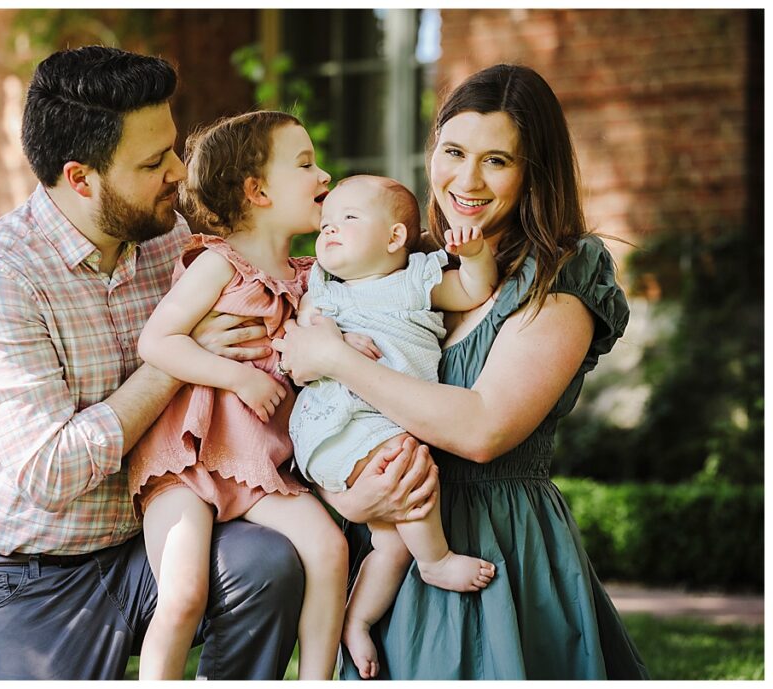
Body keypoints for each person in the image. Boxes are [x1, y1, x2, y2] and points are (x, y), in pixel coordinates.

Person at [273, 63, 650, 679]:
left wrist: (335, 356)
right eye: (453, 152)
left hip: (497, 547)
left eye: (496, 160)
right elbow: (326, 413)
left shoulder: (560, 273)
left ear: (533, 171)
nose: (467, 180)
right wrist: (345, 495)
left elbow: (482, 429)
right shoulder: (408, 264)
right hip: (392, 545)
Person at [0, 46, 308, 681]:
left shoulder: (175, 242)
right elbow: (51, 471)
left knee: (267, 562)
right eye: (152, 162)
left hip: (155, 538)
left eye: (172, 149)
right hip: (30, 575)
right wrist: (181, 360)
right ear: (81, 178)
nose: (178, 172)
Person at [127, 110, 347, 680]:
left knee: (329, 549)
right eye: (305, 164)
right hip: (188, 462)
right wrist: (238, 377)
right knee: (183, 595)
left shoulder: (312, 278)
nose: (323, 175)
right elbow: (157, 341)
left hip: (257, 465)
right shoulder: (219, 265)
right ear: (258, 191)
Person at [288, 174, 498, 679]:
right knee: (409, 466)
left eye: (348, 219)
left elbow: (474, 290)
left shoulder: (413, 282)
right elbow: (300, 346)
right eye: (326, 223)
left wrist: (474, 255)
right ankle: (437, 560)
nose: (329, 229)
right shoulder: (323, 290)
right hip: (339, 420)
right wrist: (336, 340)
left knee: (394, 540)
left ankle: (357, 619)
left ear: (394, 237)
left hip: (368, 426)